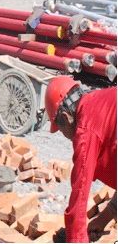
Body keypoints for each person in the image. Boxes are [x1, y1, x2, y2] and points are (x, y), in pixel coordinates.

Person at [45, 76, 116, 243]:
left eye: (60, 130)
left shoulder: (86, 128)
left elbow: (79, 196)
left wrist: (76, 239)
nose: (65, 136)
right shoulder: (101, 103)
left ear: (65, 117)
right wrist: (104, 218)